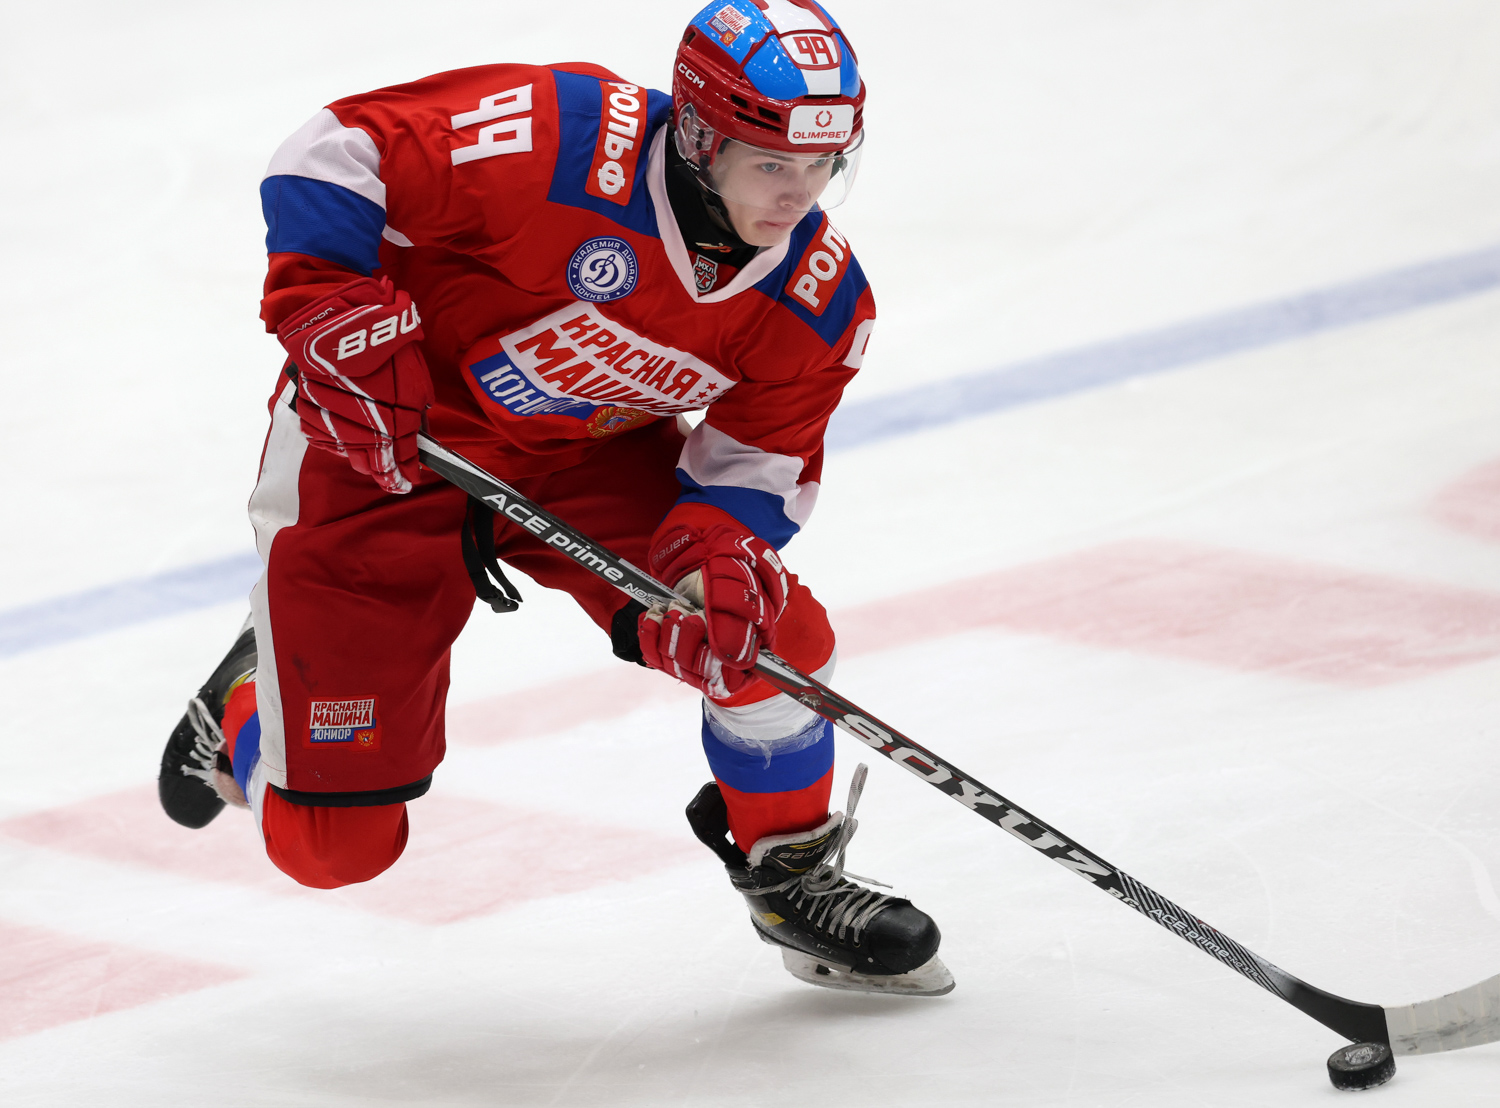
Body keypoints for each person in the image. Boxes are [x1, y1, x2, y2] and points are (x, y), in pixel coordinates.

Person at [158, 0, 952, 997]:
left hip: (585, 460)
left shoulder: (816, 299)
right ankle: (243, 703)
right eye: (771, 164)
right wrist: (331, 305)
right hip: (386, 446)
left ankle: (790, 876)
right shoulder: (560, 138)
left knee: (765, 637)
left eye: (823, 165)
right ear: (699, 137)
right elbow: (335, 151)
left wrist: (704, 562)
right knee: (332, 850)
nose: (800, 196)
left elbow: (759, 464)